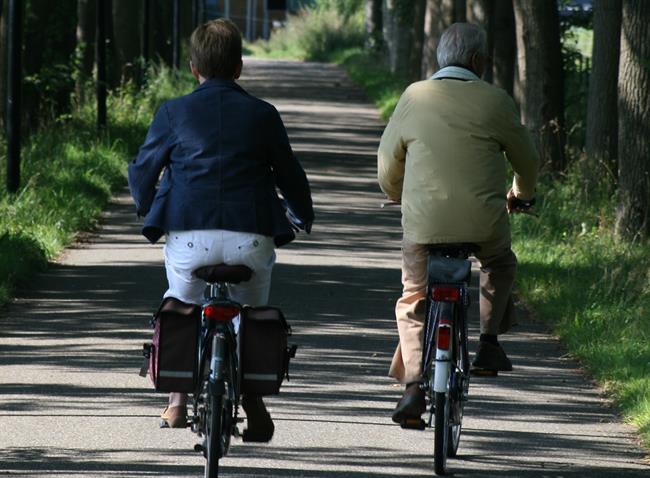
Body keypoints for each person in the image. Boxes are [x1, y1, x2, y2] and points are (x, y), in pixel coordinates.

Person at [128, 19, 314, 441]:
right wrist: (302, 215)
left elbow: (143, 170)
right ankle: (254, 402)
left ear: (194, 68)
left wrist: (144, 206)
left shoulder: (173, 112)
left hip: (189, 237)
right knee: (248, 317)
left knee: (179, 303)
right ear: (240, 68)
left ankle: (176, 404)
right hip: (250, 239)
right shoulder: (263, 114)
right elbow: (290, 174)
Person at [377, 22, 539, 424]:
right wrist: (521, 195)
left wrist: (397, 193)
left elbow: (387, 163)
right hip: (484, 223)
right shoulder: (496, 100)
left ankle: (413, 385)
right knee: (499, 263)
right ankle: (488, 342)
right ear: (475, 60)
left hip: (423, 224)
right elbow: (527, 160)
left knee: (414, 295)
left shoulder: (414, 96)